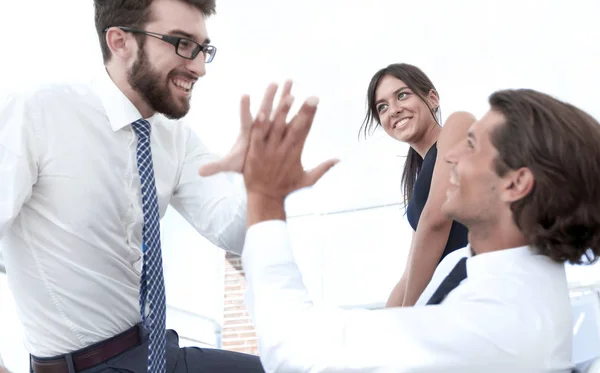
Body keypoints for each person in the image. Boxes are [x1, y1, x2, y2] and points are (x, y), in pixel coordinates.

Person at [0, 0, 271, 372]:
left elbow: (231, 232)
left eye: (203, 49)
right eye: (182, 44)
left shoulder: (174, 136)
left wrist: (261, 183)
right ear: (120, 41)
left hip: (157, 352)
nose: (198, 67)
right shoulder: (37, 113)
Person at [231, 85, 600, 372]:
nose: (452, 154)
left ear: (515, 184)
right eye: (382, 106)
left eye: (471, 145)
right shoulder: (471, 267)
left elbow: (293, 349)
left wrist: (265, 197)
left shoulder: (499, 324)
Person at [359, 63, 475, 307]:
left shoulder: (457, 125)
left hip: (476, 289)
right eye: (383, 107)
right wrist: (388, 321)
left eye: (402, 95)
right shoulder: (419, 182)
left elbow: (436, 221)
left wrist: (409, 315)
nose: (394, 110)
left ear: (432, 98)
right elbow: (410, 271)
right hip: (449, 301)